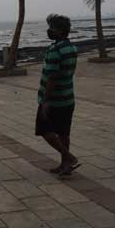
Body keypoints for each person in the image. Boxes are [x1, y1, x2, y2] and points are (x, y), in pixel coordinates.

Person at [37, 14, 80, 177]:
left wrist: (45, 101)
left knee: (44, 130)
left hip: (53, 100)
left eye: (52, 28)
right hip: (68, 97)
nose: (49, 31)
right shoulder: (72, 48)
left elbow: (52, 77)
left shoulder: (54, 50)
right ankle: (65, 165)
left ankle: (68, 157)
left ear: (60, 31)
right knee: (63, 133)